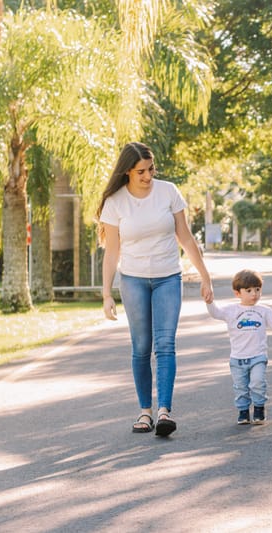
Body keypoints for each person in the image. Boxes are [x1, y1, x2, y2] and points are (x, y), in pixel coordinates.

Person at [98, 142, 214, 437]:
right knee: (141, 347)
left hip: (167, 278)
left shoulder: (168, 191)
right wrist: (106, 293)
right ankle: (144, 411)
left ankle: (163, 411)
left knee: (165, 345)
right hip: (133, 280)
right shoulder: (116, 202)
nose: (148, 175)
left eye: (151, 169)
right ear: (127, 171)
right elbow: (112, 252)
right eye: (141, 171)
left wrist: (204, 277)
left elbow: (186, 238)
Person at [206, 269, 272, 425]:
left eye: (257, 290)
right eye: (248, 290)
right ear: (237, 293)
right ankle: (243, 411)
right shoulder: (231, 311)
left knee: (257, 383)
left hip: (258, 356)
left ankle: (259, 408)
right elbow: (215, 313)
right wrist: (209, 301)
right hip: (237, 359)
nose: (254, 294)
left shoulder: (264, 311)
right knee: (240, 388)